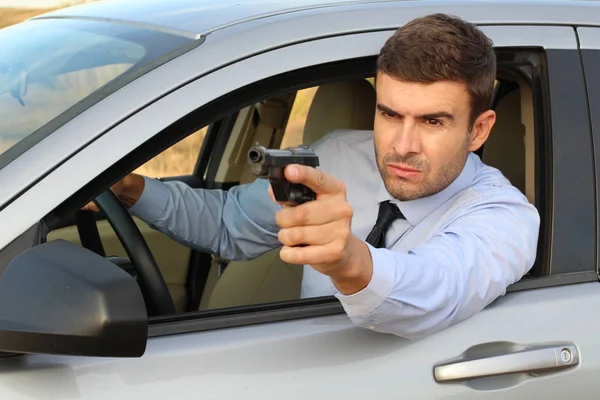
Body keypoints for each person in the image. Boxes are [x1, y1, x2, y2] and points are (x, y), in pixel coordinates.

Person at [85, 13, 540, 340]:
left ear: (478, 130)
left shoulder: (503, 216)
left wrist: (350, 261)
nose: (402, 145)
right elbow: (230, 225)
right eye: (389, 114)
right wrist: (131, 189)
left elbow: (441, 285)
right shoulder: (338, 154)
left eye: (432, 122)